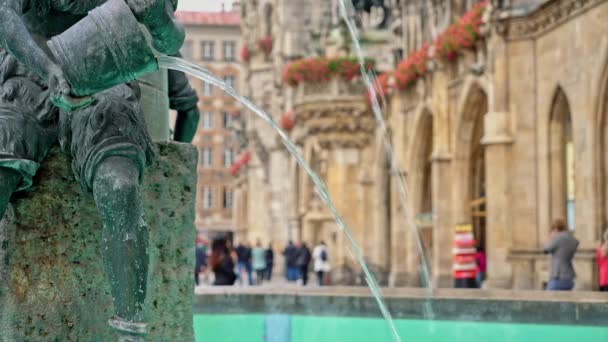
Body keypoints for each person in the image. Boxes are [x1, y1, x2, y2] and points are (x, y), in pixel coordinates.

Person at [544, 219, 579, 291]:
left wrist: (552, 238)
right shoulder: (572, 239)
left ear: (555, 229)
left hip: (558, 276)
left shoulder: (558, 238)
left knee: (548, 300)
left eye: (551, 231)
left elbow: (546, 249)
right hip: (569, 277)